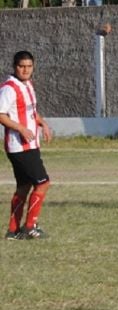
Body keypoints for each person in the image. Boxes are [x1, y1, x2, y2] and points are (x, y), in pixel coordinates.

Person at [0, 51, 52, 240]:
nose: (25, 70)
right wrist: (20, 128)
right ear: (15, 66)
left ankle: (12, 231)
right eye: (22, 66)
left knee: (24, 186)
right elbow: (1, 114)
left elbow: (30, 110)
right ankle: (30, 227)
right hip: (19, 146)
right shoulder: (9, 88)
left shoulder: (28, 84)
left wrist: (42, 123)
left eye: (29, 66)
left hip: (30, 144)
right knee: (43, 183)